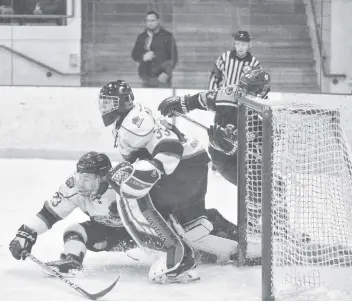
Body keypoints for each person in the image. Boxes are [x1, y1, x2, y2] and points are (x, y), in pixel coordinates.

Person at [98, 80, 240, 283]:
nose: (105, 107)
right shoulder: (130, 119)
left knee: (131, 195)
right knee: (193, 226)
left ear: (123, 102)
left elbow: (170, 147)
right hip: (192, 165)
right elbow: (143, 154)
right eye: (104, 102)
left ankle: (172, 256)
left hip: (182, 168)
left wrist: (144, 174)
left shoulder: (134, 121)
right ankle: (241, 246)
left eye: (110, 102)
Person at [8, 151, 138, 276]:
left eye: (87, 179)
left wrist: (129, 208)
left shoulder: (125, 183)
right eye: (80, 177)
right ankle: (72, 263)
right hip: (109, 237)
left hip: (141, 234)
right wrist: (26, 233)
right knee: (74, 231)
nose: (80, 185)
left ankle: (159, 257)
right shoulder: (73, 186)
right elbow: (49, 214)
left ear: (103, 177)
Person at [131, 10, 178, 88]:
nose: (150, 23)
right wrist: (143, 57)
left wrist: (166, 73)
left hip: (162, 79)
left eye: (152, 20)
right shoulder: (142, 37)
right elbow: (134, 54)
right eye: (148, 21)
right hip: (146, 78)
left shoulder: (167, 36)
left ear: (158, 21)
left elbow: (174, 57)